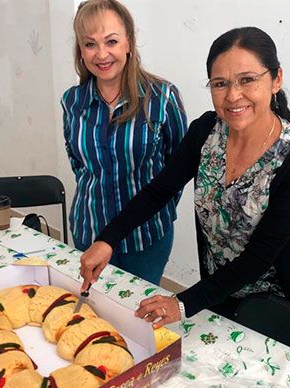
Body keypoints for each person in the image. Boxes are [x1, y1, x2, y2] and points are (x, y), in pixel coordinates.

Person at [80, 27, 290, 328]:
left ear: (276, 80)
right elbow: (160, 191)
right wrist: (108, 238)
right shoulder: (206, 131)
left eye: (247, 79)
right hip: (217, 291)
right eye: (220, 84)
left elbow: (259, 257)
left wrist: (182, 303)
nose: (233, 96)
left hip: (276, 304)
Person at [62, 0, 188, 285]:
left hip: (146, 236)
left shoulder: (162, 98)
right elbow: (78, 164)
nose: (102, 54)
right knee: (96, 313)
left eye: (112, 41)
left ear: (129, 43)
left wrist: (159, 209)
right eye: (90, 44)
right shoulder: (72, 101)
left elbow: (176, 171)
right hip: (89, 229)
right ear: (80, 51)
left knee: (136, 318)